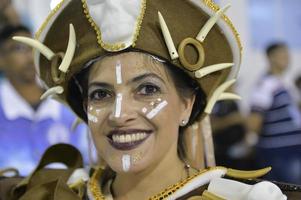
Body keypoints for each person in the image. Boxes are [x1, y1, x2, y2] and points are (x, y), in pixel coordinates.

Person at [0, 0, 300, 199]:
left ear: (187, 104)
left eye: (147, 90)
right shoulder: (55, 194)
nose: (119, 115)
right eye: (101, 94)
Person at [0, 24, 88, 175]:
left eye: (32, 46)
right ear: (1, 59)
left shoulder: (65, 102)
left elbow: (89, 160)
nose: (29, 56)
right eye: (19, 48)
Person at [248, 42, 301, 185]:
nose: (287, 58)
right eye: (282, 55)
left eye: (287, 55)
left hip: (291, 151)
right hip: (280, 154)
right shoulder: (266, 84)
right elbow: (253, 121)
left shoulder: (283, 83)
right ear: (270, 57)